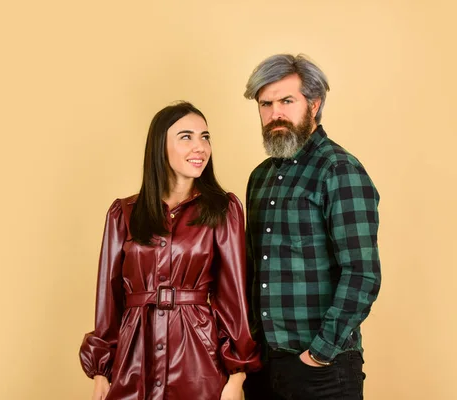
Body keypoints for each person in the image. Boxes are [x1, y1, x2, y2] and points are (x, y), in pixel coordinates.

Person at [80, 101, 260, 400]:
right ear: (159, 146)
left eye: (205, 137)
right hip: (134, 359)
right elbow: (109, 300)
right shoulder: (123, 213)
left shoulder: (222, 210)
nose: (200, 147)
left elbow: (233, 297)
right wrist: (101, 370)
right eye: (186, 137)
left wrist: (237, 374)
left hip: (199, 360)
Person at [241, 54, 381, 400]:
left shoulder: (340, 170)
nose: (275, 114)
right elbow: (252, 271)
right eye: (266, 104)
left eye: (287, 101)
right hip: (265, 365)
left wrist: (318, 354)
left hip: (323, 369)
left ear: (314, 104)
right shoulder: (259, 178)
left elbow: (362, 274)